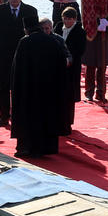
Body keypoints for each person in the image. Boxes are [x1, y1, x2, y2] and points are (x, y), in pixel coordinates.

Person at [11, 20, 71, 157]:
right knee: (46, 117)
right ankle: (46, 148)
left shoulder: (24, 42)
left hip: (28, 89)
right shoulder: (52, 41)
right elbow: (62, 63)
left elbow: (17, 69)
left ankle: (25, 147)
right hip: (48, 89)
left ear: (26, 29)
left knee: (28, 119)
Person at [0, 0, 38, 128]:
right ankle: (3, 116)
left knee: (21, 87)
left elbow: (34, 34)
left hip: (23, 55)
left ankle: (19, 116)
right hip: (4, 55)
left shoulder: (30, 11)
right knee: (4, 86)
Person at [59, 8, 86, 132]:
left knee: (69, 96)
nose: (66, 21)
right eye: (65, 18)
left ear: (74, 19)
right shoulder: (58, 27)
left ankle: (68, 122)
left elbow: (80, 50)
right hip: (58, 66)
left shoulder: (80, 32)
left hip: (72, 67)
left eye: (69, 19)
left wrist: (68, 58)